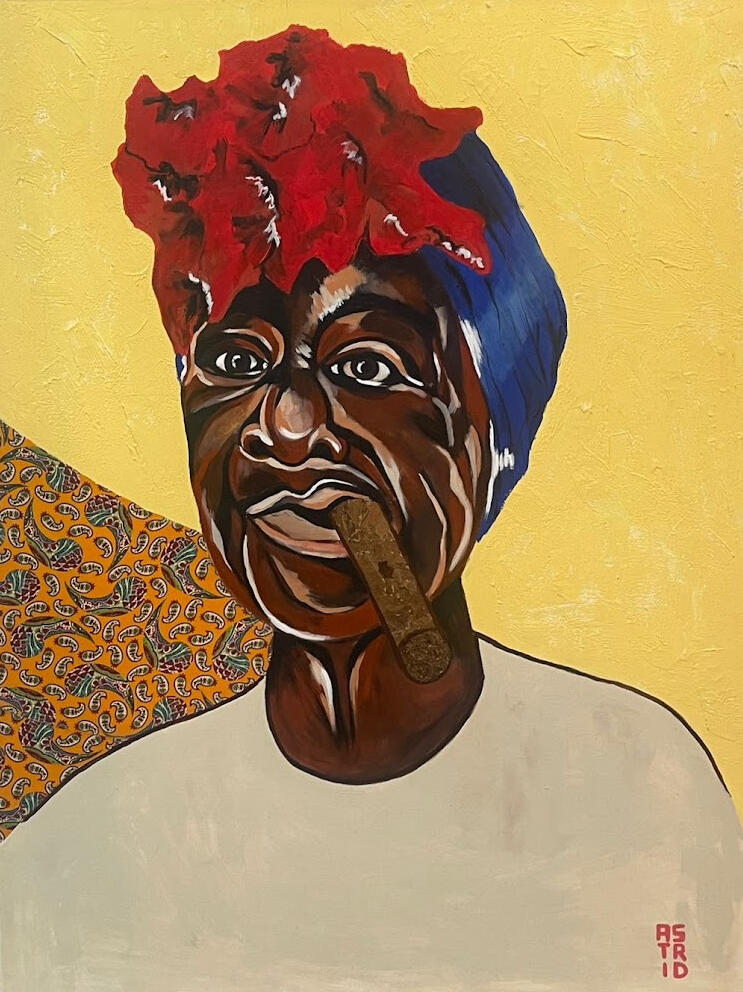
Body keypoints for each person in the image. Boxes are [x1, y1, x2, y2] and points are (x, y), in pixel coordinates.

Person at [0, 25, 740, 992]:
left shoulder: (641, 799)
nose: (286, 427)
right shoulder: (79, 866)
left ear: (492, 438)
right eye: (236, 360)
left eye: (367, 367)